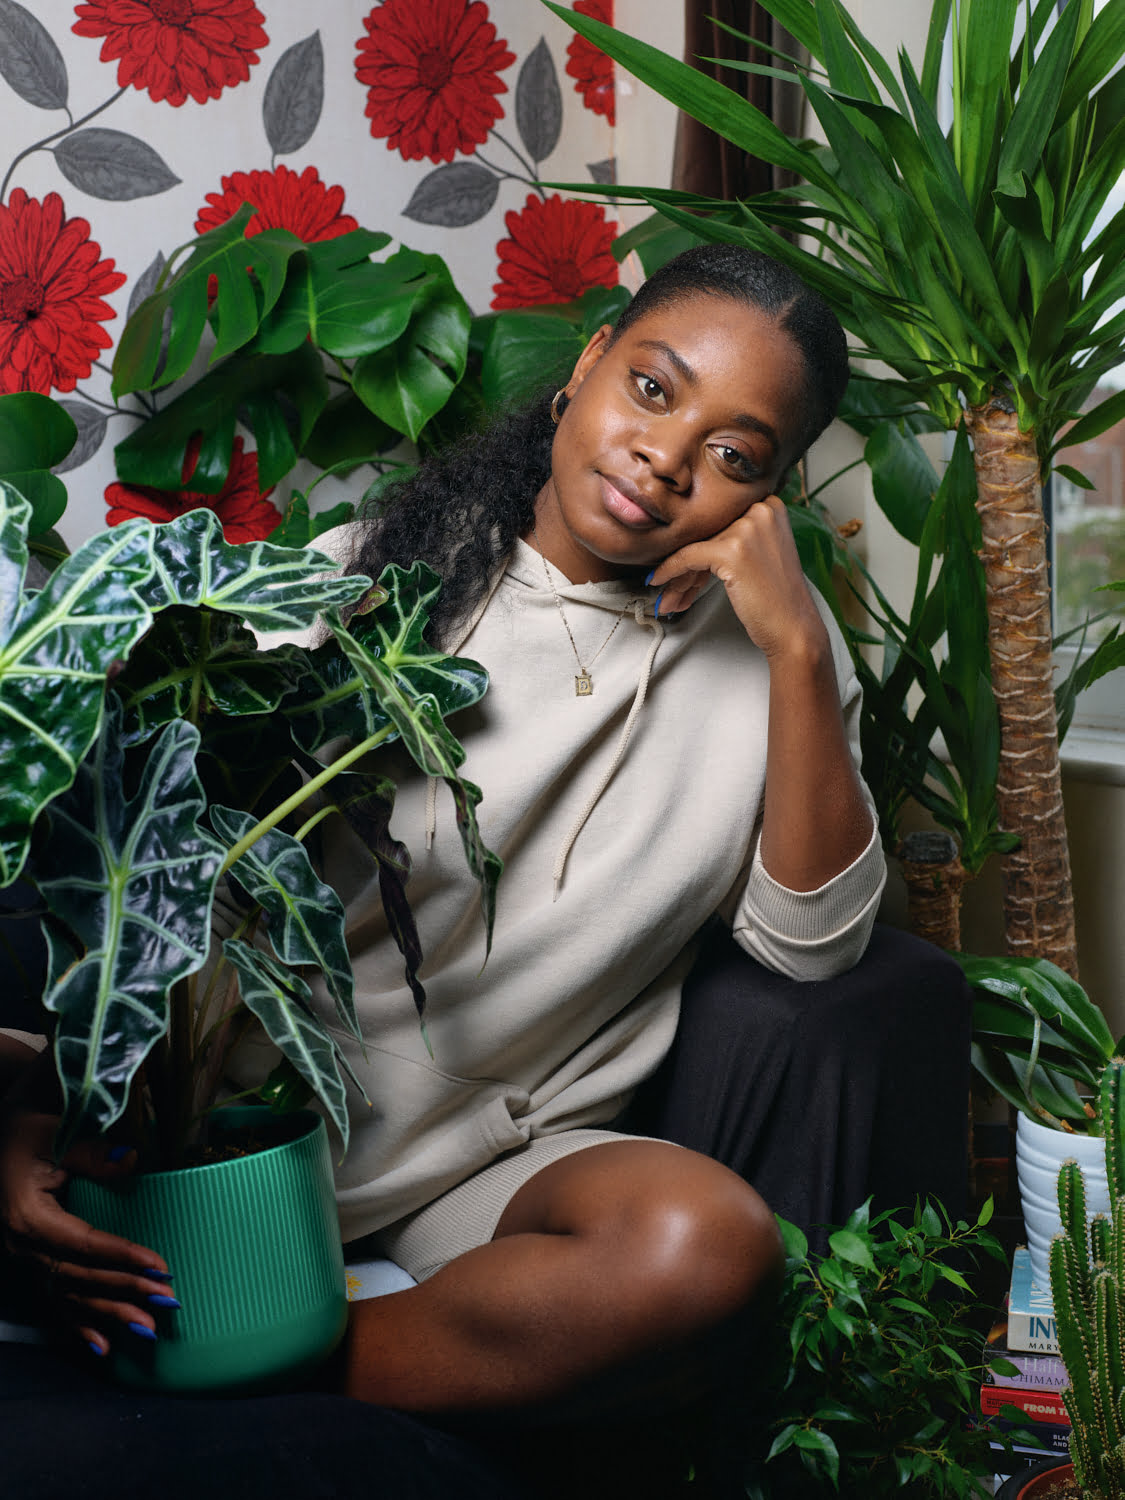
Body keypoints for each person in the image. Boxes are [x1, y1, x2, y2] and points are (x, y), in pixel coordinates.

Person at [0, 245, 886, 1431]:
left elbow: (812, 946)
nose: (665, 457)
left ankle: (261, 1350)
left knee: (706, 1248)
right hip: (225, 1130)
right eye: (651, 389)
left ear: (769, 495)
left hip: (483, 1164)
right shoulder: (363, 580)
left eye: (735, 455)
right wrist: (44, 1111)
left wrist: (798, 649)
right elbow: (151, 882)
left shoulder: (781, 658)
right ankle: (233, 1304)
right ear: (588, 365)